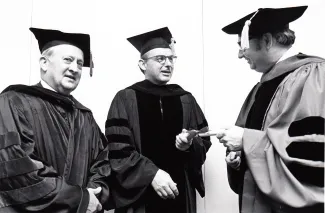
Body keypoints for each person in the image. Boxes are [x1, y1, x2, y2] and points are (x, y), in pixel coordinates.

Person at [218, 5, 324, 213]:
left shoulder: (312, 76)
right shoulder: (262, 87)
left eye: (243, 45)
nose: (240, 55)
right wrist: (240, 156)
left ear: (266, 41)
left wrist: (246, 141)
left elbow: (310, 152)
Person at [0, 27, 111, 213]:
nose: (75, 68)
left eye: (80, 63)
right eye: (68, 60)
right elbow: (17, 168)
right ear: (44, 63)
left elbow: (103, 163)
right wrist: (78, 199)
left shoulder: (85, 117)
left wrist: (94, 193)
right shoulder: (12, 102)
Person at [105, 27, 211, 213]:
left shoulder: (185, 99)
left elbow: (204, 139)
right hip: (141, 199)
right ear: (142, 64)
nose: (168, 64)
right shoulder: (125, 99)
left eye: (171, 59)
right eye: (160, 59)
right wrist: (151, 174)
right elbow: (119, 151)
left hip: (179, 194)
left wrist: (189, 144)